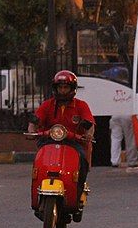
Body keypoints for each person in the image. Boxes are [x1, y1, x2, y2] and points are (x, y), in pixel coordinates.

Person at [28, 71, 95, 200]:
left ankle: (77, 192)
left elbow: (90, 124)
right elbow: (35, 121)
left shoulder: (81, 105)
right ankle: (37, 193)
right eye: (60, 87)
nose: (63, 91)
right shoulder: (47, 104)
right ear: (55, 88)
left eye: (66, 87)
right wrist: (31, 130)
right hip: (48, 141)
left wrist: (88, 135)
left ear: (72, 89)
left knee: (82, 159)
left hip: (74, 142)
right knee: (38, 161)